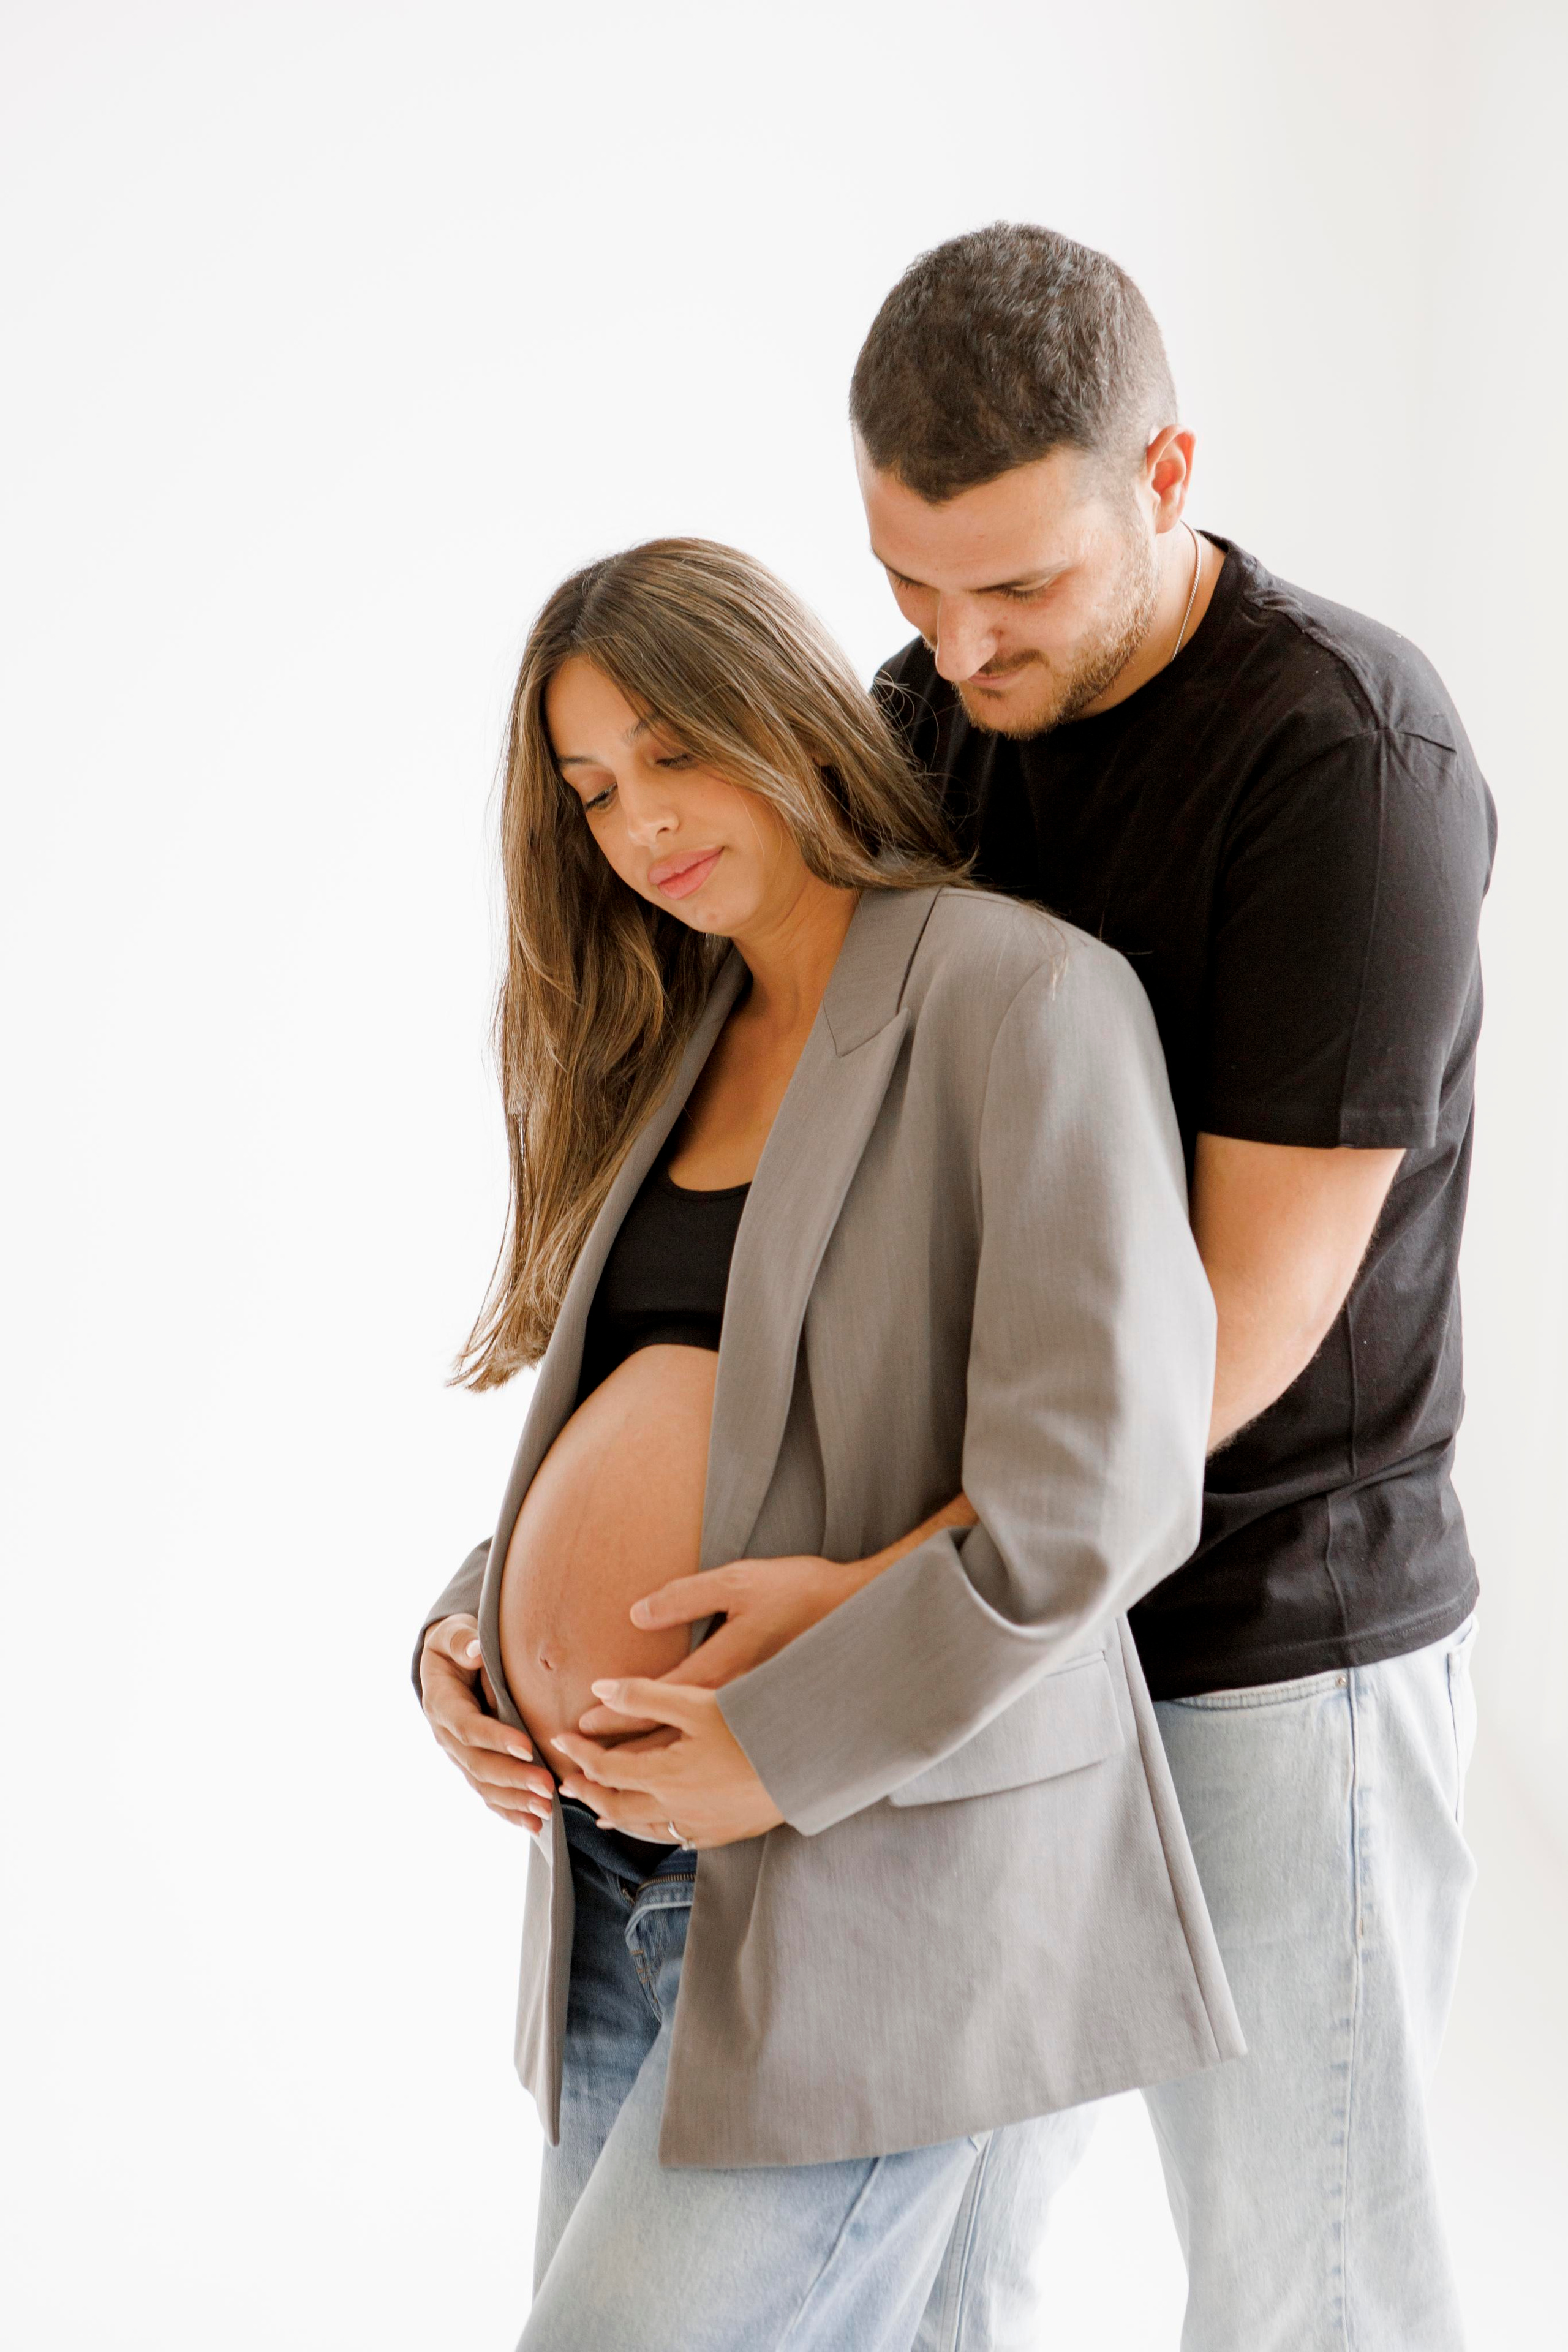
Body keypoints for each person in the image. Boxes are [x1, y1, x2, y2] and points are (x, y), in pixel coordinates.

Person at [415, 536, 1242, 2351]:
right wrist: (471, 1640)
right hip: (614, 1873)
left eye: (674, 752)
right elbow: (665, 1415)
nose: (642, 823)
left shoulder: (1019, 998)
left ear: (782, 709)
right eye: (593, 791)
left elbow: (1102, 1489)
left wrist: (779, 1748)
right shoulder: (671, 1035)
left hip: (872, 1879)